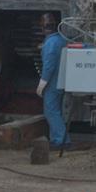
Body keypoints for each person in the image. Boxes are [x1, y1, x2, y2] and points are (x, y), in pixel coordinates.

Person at [36, 12, 69, 149]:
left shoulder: (50, 43)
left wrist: (42, 83)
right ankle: (58, 138)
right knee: (57, 111)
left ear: (43, 28)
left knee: (51, 111)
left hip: (52, 83)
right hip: (61, 81)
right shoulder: (61, 40)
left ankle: (60, 140)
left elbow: (49, 65)